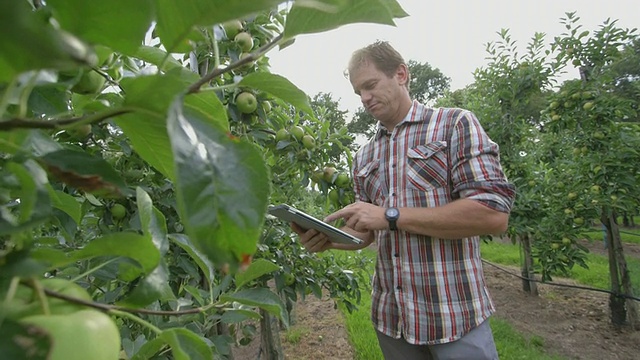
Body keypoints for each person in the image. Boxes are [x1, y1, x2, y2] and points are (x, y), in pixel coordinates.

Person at [291, 41, 516, 360]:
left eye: (370, 85)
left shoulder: (454, 125)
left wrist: (391, 215)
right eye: (358, 92)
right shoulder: (365, 155)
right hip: (391, 322)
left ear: (400, 74)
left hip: (453, 316)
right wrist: (330, 240)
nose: (365, 98)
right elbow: (367, 235)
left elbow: (492, 214)